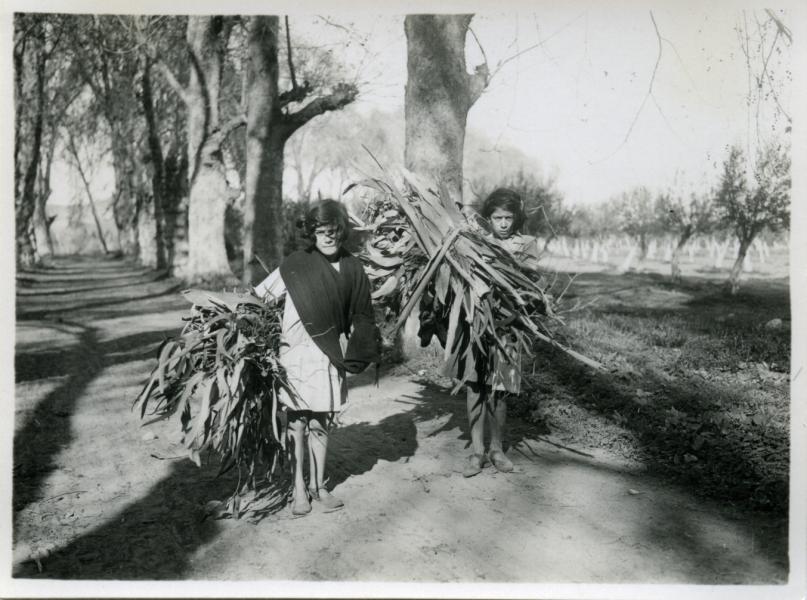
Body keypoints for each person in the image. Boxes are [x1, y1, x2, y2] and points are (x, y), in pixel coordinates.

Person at [254, 199, 380, 515]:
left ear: (343, 232)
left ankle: (318, 485)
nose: (328, 238)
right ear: (313, 232)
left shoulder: (352, 268)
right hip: (295, 355)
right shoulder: (296, 264)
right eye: (322, 232)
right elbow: (258, 299)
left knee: (321, 421)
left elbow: (364, 315)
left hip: (327, 356)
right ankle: (298, 487)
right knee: (297, 422)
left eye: (334, 231)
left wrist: (359, 352)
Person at [459, 188, 540, 478]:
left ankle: (497, 449)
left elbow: (530, 280)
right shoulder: (476, 242)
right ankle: (477, 451)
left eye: (508, 217)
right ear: (488, 218)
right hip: (477, 324)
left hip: (509, 327)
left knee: (501, 389)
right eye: (497, 217)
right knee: (474, 386)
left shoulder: (527, 243)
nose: (503, 223)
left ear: (516, 217)